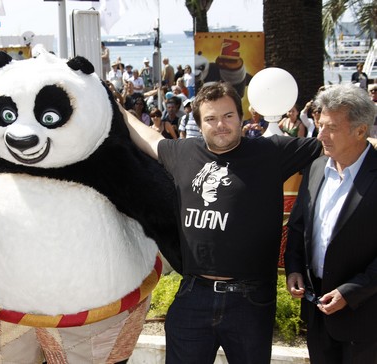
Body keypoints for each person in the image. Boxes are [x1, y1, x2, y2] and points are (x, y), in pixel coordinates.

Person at [122, 81, 322, 364]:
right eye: (211, 119)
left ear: (241, 117)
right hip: (193, 296)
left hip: (250, 302)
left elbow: (334, 142)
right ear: (199, 124)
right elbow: (149, 139)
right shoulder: (184, 153)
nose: (221, 125)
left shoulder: (270, 152)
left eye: (228, 116)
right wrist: (118, 108)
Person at [285, 84, 377, 364]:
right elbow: (299, 227)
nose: (320, 135)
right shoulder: (315, 168)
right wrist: (295, 269)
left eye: (331, 128)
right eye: (319, 125)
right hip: (317, 315)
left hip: (365, 319)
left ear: (360, 130)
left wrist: (350, 293)